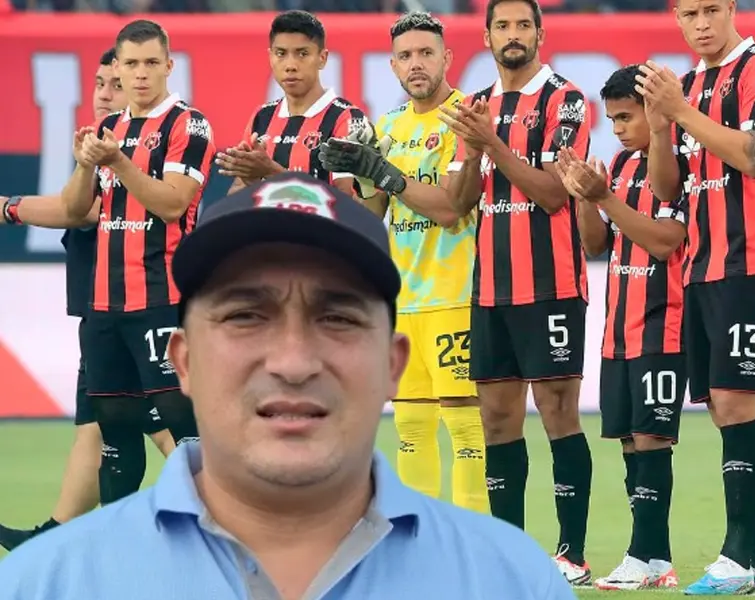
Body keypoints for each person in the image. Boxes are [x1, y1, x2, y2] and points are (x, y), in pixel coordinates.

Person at [0, 173, 576, 600]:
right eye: (246, 316)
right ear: (183, 358)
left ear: (392, 363)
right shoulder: (46, 584)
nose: (293, 361)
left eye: (338, 317)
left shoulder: (514, 581)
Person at [635, 0, 755, 593]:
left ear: (731, 7)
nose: (700, 24)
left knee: (736, 404)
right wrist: (659, 127)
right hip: (703, 269)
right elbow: (666, 188)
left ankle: (737, 556)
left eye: (710, 9)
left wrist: (679, 109)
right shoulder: (690, 83)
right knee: (727, 409)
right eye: (688, 14)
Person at [435, 0, 596, 585]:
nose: (512, 35)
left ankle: (571, 553)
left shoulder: (566, 99)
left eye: (523, 25)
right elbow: (457, 202)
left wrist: (493, 143)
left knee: (557, 411)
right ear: (486, 36)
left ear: (540, 33)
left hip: (551, 283)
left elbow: (554, 195)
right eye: (502, 25)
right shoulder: (474, 107)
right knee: (497, 418)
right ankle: (508, 552)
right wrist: (475, 148)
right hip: (492, 288)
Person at [0, 47, 175, 551]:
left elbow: (82, 212)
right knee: (92, 426)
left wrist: (10, 209)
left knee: (158, 422)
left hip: (135, 305)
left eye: (113, 82)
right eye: (101, 81)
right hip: (100, 307)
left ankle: (221, 516)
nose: (104, 91)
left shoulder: (133, 146)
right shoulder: (98, 147)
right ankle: (54, 538)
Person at [321, 12, 489, 514]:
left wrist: (384, 173)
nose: (417, 64)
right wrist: (347, 179)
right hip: (405, 299)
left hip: (458, 293)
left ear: (447, 59)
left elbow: (449, 207)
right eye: (406, 56)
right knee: (412, 429)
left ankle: (471, 552)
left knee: (465, 427)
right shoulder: (388, 127)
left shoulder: (466, 118)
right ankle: (422, 556)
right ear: (392, 66)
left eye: (426, 53)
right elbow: (374, 215)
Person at [61, 20, 212, 507]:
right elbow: (74, 209)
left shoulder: (188, 124)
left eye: (151, 63)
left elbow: (172, 203)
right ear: (117, 70)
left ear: (169, 67)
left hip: (161, 299)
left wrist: (119, 163)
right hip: (105, 303)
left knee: (182, 424)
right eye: (131, 64)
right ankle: (115, 547)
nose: (141, 74)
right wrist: (86, 163)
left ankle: (223, 536)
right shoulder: (108, 128)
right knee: (115, 430)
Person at [560, 64, 686, 591]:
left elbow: (664, 241)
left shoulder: (676, 164)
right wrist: (584, 195)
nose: (618, 129)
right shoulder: (620, 164)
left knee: (652, 439)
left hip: (664, 322)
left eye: (626, 117)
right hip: (620, 326)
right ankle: (657, 562)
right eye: (612, 120)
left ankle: (641, 553)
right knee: (631, 443)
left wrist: (604, 198)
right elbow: (596, 246)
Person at [217, 10, 369, 196]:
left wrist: (271, 172)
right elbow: (237, 195)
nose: (290, 65)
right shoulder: (262, 116)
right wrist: (253, 182)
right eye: (281, 53)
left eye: (302, 54)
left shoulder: (346, 119)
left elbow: (346, 205)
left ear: (322, 58)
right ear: (270, 56)